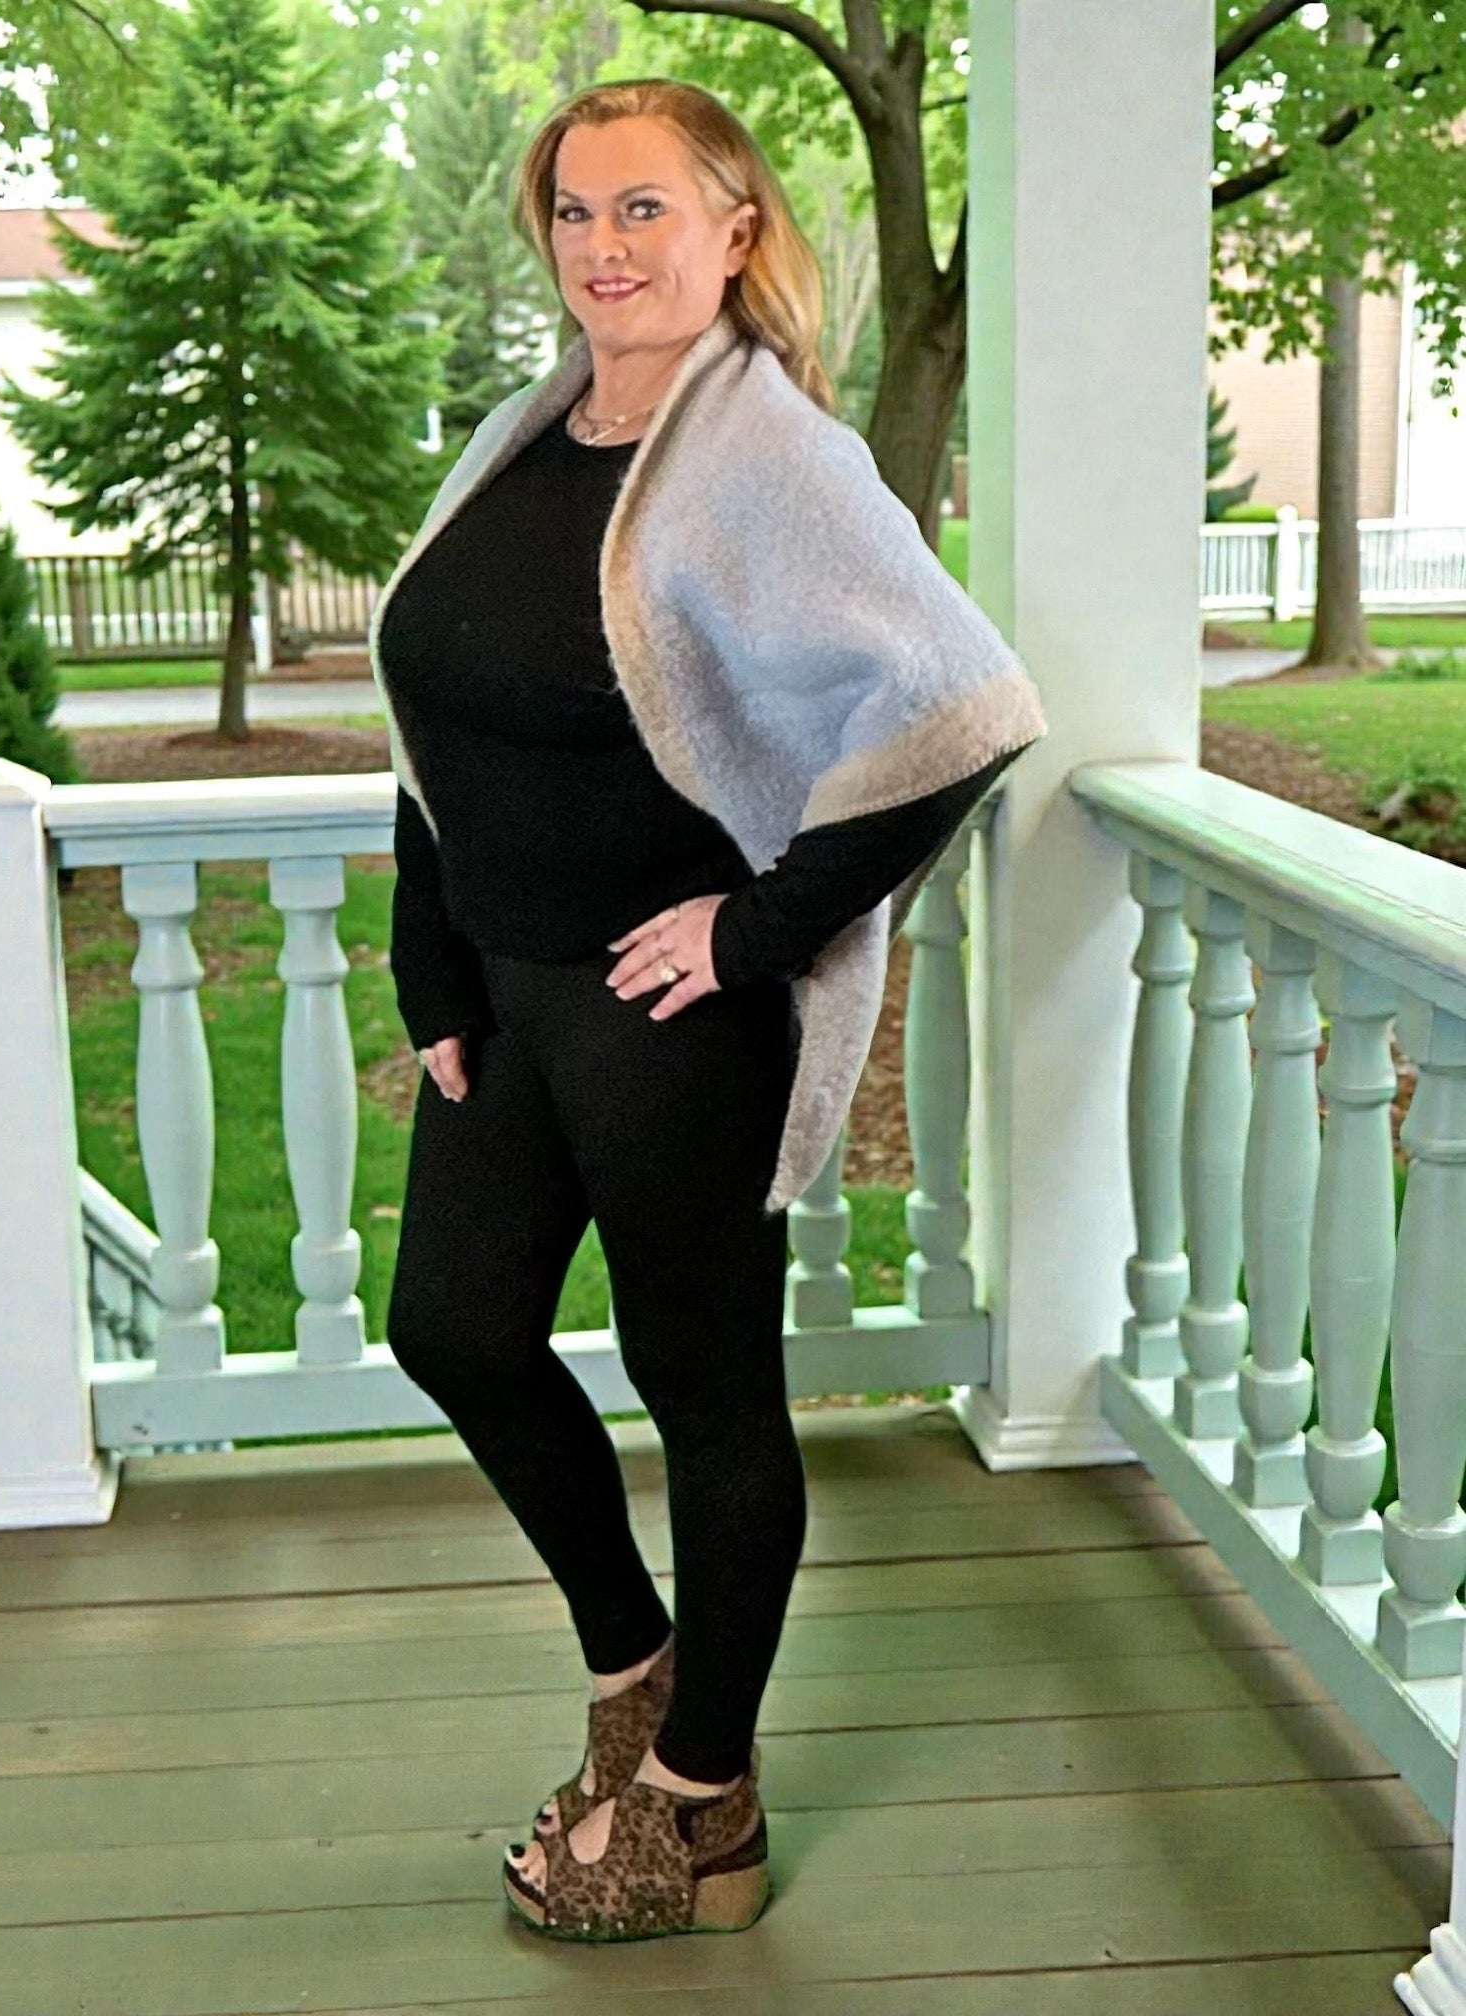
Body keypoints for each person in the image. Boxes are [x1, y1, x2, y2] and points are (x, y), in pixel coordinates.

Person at [371, 77, 1047, 1944]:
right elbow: (439, 722)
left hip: (671, 1023)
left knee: (709, 1397)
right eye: (575, 212)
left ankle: (701, 1795)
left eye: (645, 208)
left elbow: (968, 708)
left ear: (737, 228)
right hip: (506, 1001)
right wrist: (430, 952)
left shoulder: (770, 458)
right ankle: (638, 1669)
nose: (604, 247)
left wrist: (759, 934)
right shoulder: (527, 431)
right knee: (453, 1330)